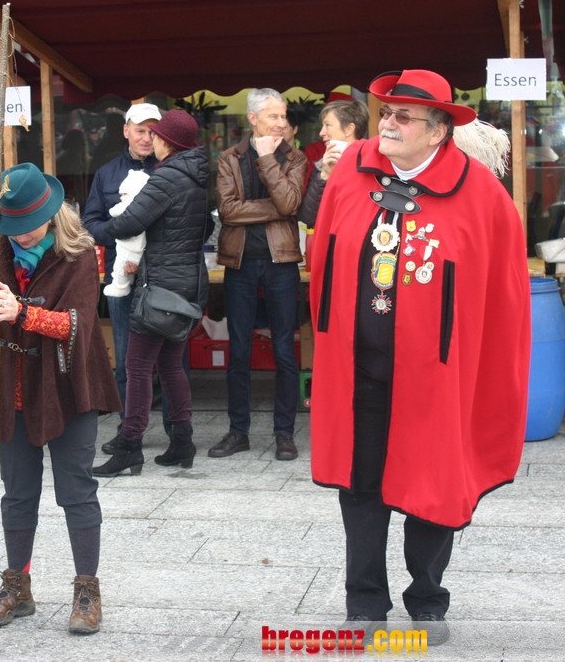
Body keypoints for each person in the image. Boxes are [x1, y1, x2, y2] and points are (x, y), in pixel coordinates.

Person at [309, 69, 529, 646]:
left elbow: (504, 296)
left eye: (403, 117)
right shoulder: (350, 174)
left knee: (431, 485)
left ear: (438, 131)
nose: (388, 124)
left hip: (435, 376)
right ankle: (364, 602)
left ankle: (427, 599)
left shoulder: (481, 195)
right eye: (386, 112)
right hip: (359, 371)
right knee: (359, 487)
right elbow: (323, 259)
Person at [0, 163, 120, 634]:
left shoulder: (80, 253)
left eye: (28, 225)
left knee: (77, 491)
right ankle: (17, 586)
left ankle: (87, 591)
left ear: (51, 214)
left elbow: (79, 324)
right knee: (17, 494)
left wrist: (21, 312)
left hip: (69, 388)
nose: (20, 235)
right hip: (11, 386)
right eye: (11, 226)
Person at [92, 109, 209, 476]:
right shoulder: (198, 174)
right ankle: (182, 442)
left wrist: (119, 235)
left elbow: (127, 223)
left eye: (155, 135)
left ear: (166, 141)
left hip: (160, 287)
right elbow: (203, 230)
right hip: (189, 283)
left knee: (138, 366)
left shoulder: (165, 177)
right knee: (171, 364)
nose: (151, 140)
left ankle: (129, 445)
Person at [213, 88, 306, 462]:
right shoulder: (229, 158)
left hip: (281, 262)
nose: (282, 123)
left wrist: (267, 160)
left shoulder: (294, 157)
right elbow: (228, 211)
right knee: (239, 350)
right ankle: (239, 431)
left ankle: (284, 433)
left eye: (283, 116)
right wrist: (277, 209)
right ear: (253, 118)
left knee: (284, 350)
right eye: (273, 116)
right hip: (239, 263)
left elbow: (291, 202)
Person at [82, 102, 161, 454]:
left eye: (153, 132)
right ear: (126, 131)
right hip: (121, 277)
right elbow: (90, 223)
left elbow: (190, 224)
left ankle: (178, 433)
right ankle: (129, 431)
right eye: (140, 131)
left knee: (172, 359)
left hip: (162, 275)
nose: (146, 138)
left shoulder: (170, 168)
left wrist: (147, 256)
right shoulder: (106, 174)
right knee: (126, 358)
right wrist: (122, 235)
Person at [297, 99, 370, 228]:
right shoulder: (323, 165)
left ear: (349, 129)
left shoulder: (372, 166)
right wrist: (324, 176)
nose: (321, 133)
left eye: (328, 125)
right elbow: (308, 218)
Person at [102, 169, 150, 297]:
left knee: (119, 268)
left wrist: (111, 222)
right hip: (135, 250)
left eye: (125, 194)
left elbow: (114, 211)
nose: (121, 198)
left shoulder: (130, 206)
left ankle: (120, 287)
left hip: (130, 250)